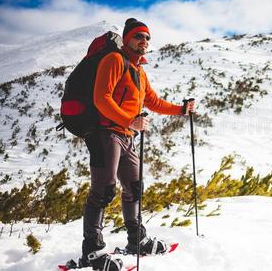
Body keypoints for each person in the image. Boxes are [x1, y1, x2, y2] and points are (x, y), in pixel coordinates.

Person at [80, 18, 195, 268]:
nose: (144, 41)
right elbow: (102, 98)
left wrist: (181, 110)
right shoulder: (114, 60)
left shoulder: (139, 72)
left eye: (147, 38)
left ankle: (137, 240)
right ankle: (92, 251)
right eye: (138, 36)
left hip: (127, 137)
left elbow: (153, 101)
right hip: (106, 134)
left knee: (134, 186)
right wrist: (129, 120)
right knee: (104, 189)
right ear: (127, 39)